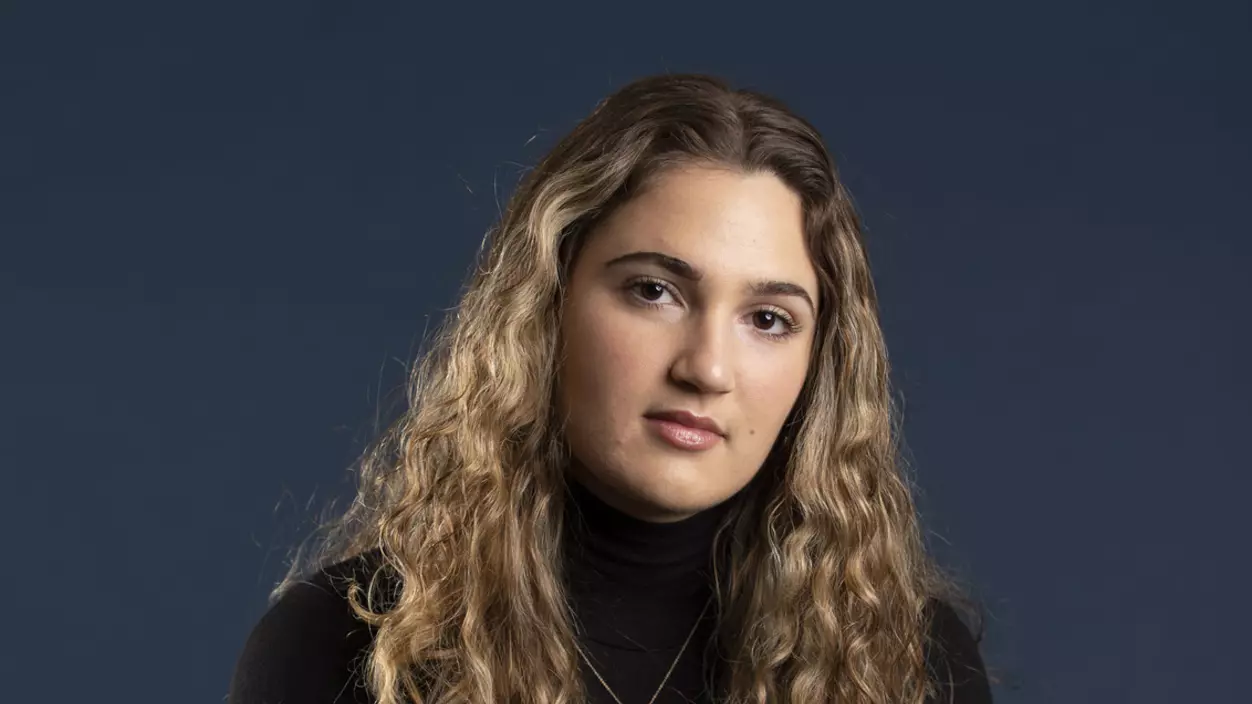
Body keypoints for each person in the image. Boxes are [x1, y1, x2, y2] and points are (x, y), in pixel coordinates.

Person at [228, 73, 993, 704]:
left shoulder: (907, 662)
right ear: (547, 303)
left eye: (767, 318)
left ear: (819, 361)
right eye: (655, 292)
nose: (707, 368)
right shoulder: (343, 647)